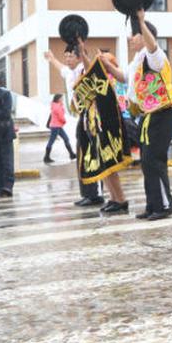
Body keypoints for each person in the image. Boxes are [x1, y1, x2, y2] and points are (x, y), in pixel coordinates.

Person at [108, 11, 172, 221]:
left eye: (136, 34)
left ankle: (164, 206)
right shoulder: (136, 61)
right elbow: (123, 79)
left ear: (146, 36)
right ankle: (153, 204)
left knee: (155, 161)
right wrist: (107, 66)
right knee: (147, 161)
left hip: (162, 113)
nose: (131, 38)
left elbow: (153, 45)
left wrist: (141, 21)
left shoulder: (154, 56)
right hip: (146, 115)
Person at [71, 38, 133, 214]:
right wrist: (83, 54)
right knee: (102, 165)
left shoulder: (111, 79)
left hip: (109, 125)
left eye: (104, 59)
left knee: (110, 164)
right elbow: (90, 74)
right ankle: (113, 198)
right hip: (94, 124)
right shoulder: (97, 78)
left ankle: (120, 199)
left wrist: (85, 56)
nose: (100, 61)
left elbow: (96, 76)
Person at [44, 47, 104, 207]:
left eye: (71, 56)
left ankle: (96, 193)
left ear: (79, 58)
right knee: (82, 155)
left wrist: (83, 49)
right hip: (81, 116)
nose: (67, 59)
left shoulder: (84, 69)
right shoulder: (69, 72)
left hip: (92, 115)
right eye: (66, 56)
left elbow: (91, 69)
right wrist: (51, 58)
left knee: (92, 155)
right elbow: (61, 68)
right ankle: (88, 193)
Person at [44, 93, 76, 164]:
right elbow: (61, 117)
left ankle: (72, 154)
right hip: (56, 126)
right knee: (51, 141)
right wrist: (64, 121)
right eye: (62, 99)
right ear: (58, 99)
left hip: (57, 126)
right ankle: (46, 157)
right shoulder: (57, 107)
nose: (62, 100)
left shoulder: (55, 106)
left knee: (66, 138)